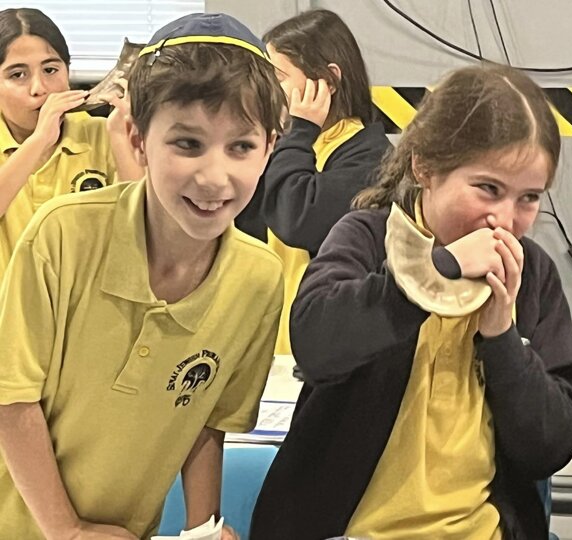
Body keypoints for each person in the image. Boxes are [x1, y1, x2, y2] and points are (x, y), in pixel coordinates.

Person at [251, 63, 572, 540]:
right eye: (488, 189)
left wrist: (501, 336)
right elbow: (315, 342)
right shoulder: (367, 237)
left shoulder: (530, 275)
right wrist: (433, 274)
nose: (505, 219)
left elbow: (549, 447)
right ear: (424, 167)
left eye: (529, 198)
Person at [0, 13, 285, 539]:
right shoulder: (62, 235)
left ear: (269, 147)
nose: (214, 177)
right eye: (188, 144)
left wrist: (203, 529)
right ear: (136, 139)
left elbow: (207, 417)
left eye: (241, 147)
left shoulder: (258, 279)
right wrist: (67, 530)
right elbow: (11, 398)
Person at [234, 8, 390, 355]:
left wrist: (302, 129)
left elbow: (297, 219)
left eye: (279, 78)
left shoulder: (369, 157)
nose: (268, 91)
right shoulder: (290, 144)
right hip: (263, 338)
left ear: (328, 81)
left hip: (318, 349)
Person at [0, 7, 144, 277]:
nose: (39, 88)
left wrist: (119, 135)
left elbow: (142, 228)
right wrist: (39, 140)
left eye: (50, 70)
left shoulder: (102, 134)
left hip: (86, 298)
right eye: (17, 75)